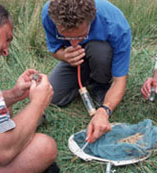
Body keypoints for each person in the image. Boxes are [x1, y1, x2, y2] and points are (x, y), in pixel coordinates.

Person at [0, 1, 59, 172]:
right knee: (44, 147)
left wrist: (15, 95)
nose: (6, 51)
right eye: (7, 39)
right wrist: (38, 103)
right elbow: (0, 152)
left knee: (4, 112)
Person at [42, 0, 131, 143]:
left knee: (100, 51)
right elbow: (55, 49)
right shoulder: (49, 14)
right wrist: (64, 55)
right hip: (76, 61)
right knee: (53, 96)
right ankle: (86, 78)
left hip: (102, 56)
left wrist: (105, 110)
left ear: (91, 21)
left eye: (80, 36)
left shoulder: (116, 24)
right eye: (66, 36)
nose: (74, 43)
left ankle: (101, 84)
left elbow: (120, 80)